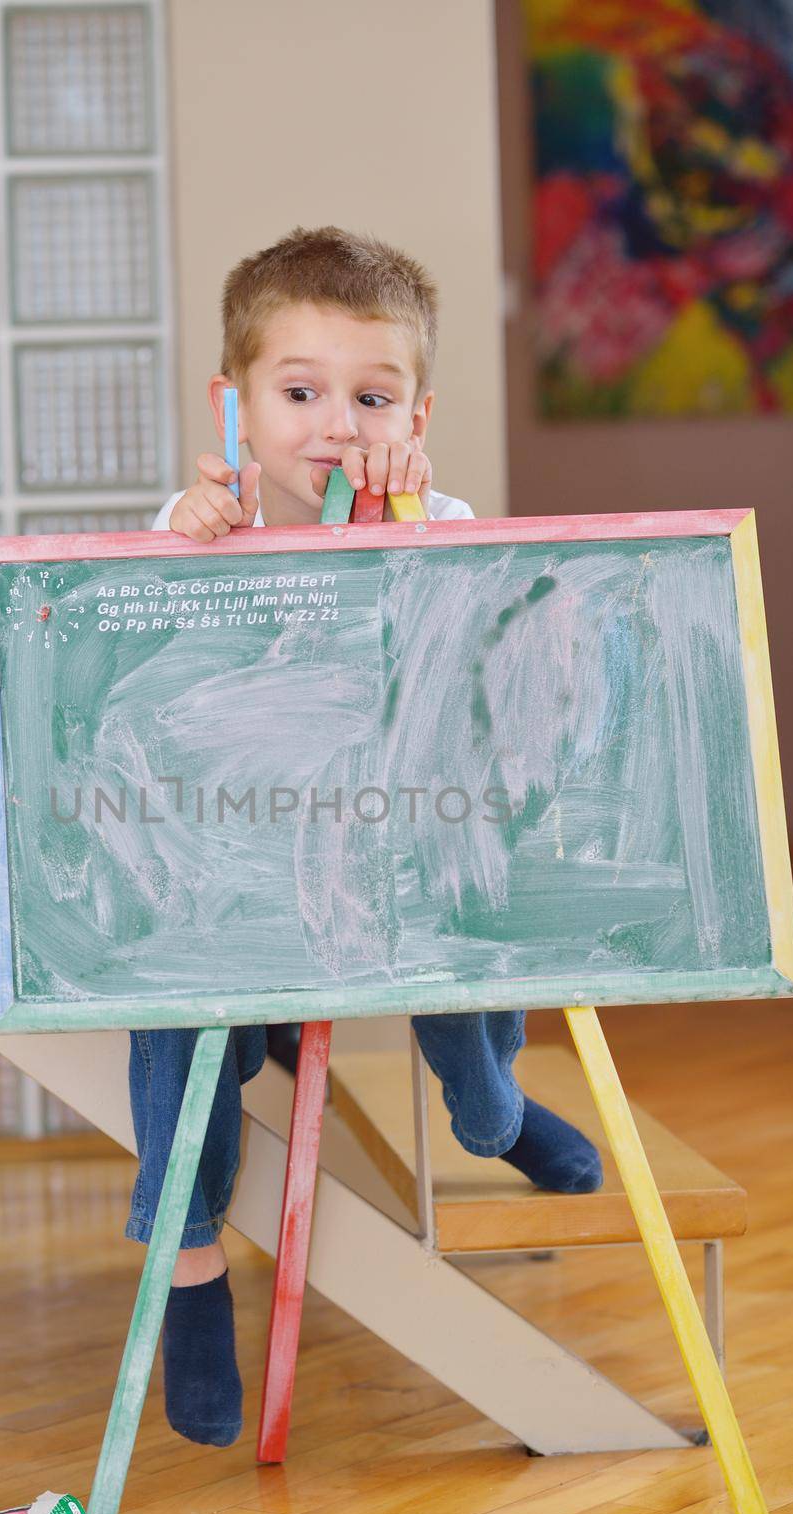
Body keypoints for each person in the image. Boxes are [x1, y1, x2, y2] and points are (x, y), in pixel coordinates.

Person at [127, 225, 603, 1450]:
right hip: (240, 873)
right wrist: (177, 550)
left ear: (418, 410)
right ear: (234, 403)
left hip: (395, 853)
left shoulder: (431, 511)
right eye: (301, 392)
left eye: (371, 395)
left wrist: (399, 530)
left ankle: (490, 1105)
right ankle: (187, 1273)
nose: (337, 424)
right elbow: (131, 690)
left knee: (471, 879)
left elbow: (481, 675)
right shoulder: (204, 524)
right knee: (164, 1001)